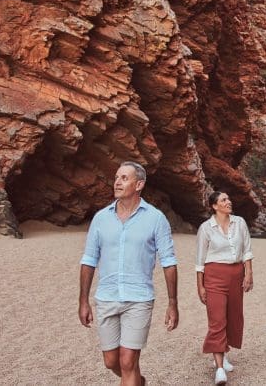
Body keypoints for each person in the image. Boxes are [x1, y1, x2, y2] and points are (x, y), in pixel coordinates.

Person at [78, 161, 179, 386]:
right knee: (111, 361)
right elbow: (89, 260)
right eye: (116, 177)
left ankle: (132, 376)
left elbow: (169, 262)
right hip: (106, 297)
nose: (117, 182)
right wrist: (83, 301)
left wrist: (172, 303)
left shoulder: (155, 218)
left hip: (139, 299)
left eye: (124, 178)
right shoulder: (101, 218)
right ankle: (138, 381)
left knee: (127, 362)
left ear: (139, 184)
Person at [196, 191, 254, 385]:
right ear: (214, 206)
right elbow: (200, 260)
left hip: (236, 274)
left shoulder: (240, 222)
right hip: (213, 276)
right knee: (217, 319)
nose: (229, 202)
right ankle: (219, 368)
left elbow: (246, 250)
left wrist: (249, 273)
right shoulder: (205, 228)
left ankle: (224, 353)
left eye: (229, 198)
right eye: (224, 200)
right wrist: (200, 286)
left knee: (233, 316)